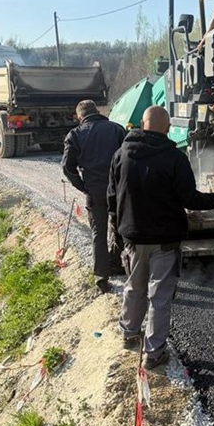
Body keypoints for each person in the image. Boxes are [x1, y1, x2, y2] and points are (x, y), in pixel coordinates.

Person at [107, 106, 214, 369]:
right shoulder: (175, 158)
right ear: (166, 128)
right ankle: (153, 352)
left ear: (142, 123)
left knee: (134, 288)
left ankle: (129, 334)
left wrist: (116, 227)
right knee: (159, 297)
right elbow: (189, 198)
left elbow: (111, 197)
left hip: (133, 238)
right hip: (165, 240)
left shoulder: (121, 155)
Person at [62, 100, 127, 293]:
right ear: (97, 111)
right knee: (121, 228)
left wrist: (82, 186)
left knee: (98, 233)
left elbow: (67, 167)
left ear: (80, 116)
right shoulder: (117, 129)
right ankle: (122, 266)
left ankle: (101, 277)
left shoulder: (75, 134)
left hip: (94, 190)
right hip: (118, 189)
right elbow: (129, 157)